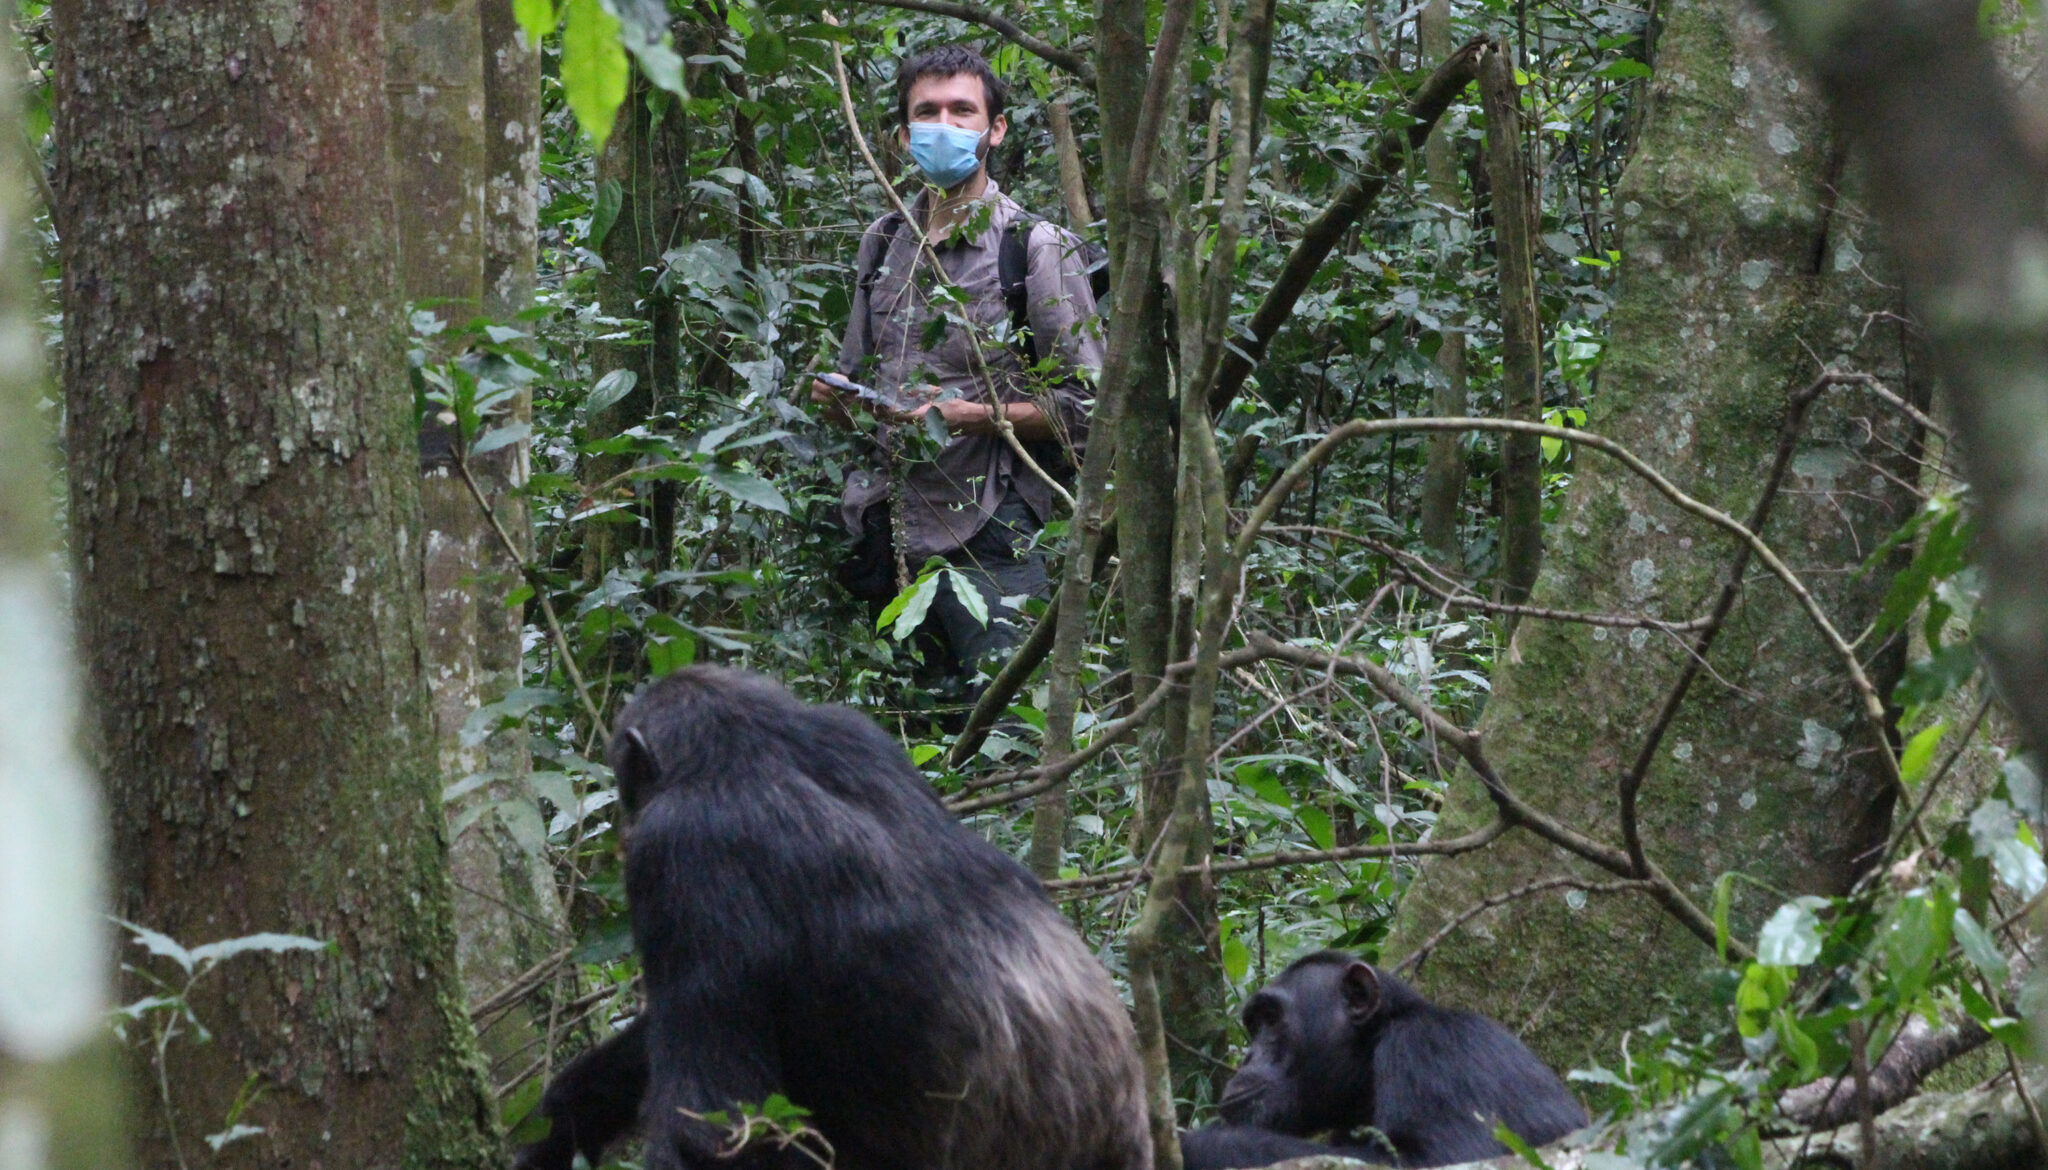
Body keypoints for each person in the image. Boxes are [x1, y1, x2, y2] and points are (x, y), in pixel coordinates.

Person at [811, 44, 1102, 695]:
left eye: (962, 110)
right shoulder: (884, 241)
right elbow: (854, 370)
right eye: (928, 112)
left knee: (1005, 727)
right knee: (903, 734)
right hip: (886, 531)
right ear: (903, 133)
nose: (945, 125)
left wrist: (978, 418)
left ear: (995, 128)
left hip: (993, 530)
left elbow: (1088, 406)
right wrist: (838, 396)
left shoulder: (1034, 247)